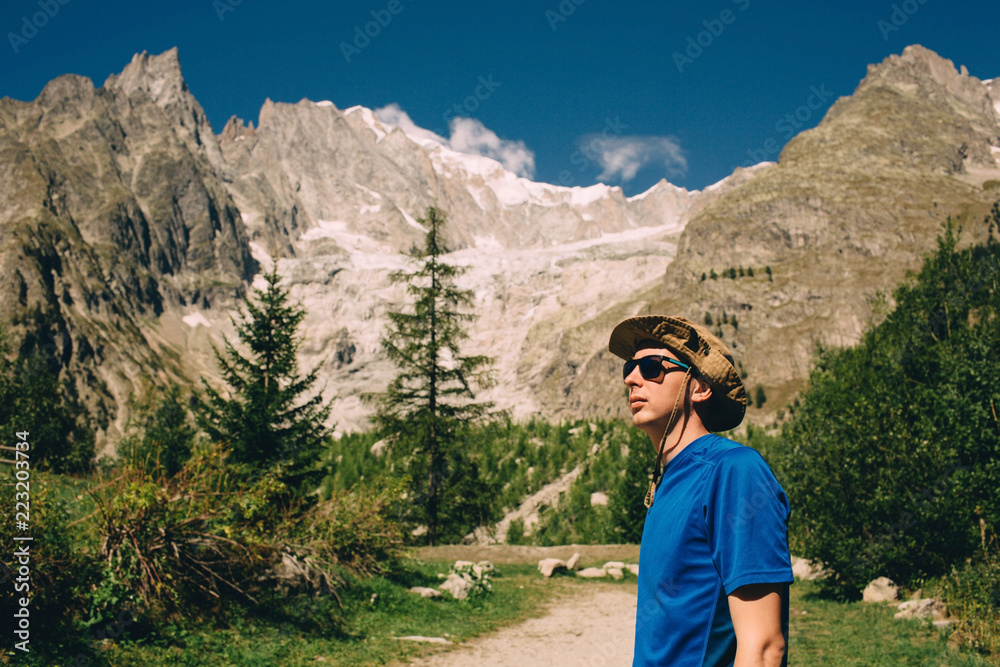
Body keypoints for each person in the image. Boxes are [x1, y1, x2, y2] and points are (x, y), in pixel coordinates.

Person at [608, 315, 792, 667]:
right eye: (629, 369)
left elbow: (765, 648)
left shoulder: (734, 472)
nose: (632, 378)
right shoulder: (670, 481)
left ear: (700, 387)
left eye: (652, 367)